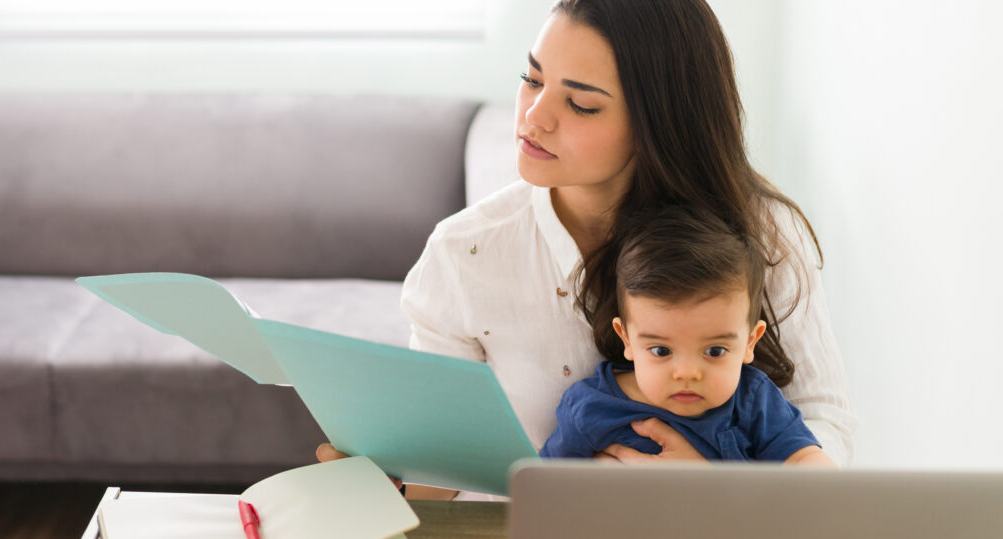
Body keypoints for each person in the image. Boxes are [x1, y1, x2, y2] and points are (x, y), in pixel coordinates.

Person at [318, 0, 856, 499]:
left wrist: (716, 493)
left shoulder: (763, 235)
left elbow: (823, 420)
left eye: (580, 104)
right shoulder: (466, 253)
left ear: (659, 124)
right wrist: (384, 485)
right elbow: (445, 471)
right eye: (532, 80)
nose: (534, 116)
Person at [539, 204, 834, 466]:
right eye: (661, 351)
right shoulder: (591, 408)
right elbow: (544, 489)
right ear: (626, 339)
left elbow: (804, 458)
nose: (687, 373)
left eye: (715, 351)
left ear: (749, 342)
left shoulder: (753, 401)